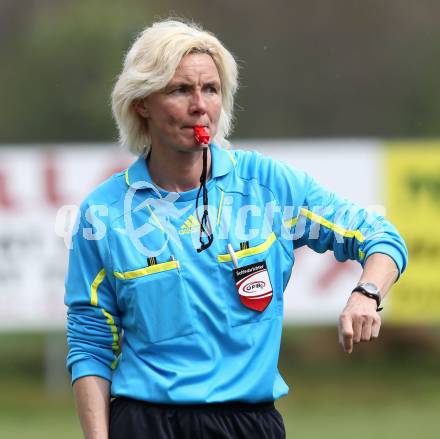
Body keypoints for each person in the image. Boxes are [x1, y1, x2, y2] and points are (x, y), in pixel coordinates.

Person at [65, 18, 408, 439]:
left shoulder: (268, 187)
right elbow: (90, 345)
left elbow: (380, 237)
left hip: (248, 424)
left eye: (210, 89)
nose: (200, 105)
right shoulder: (104, 213)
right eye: (180, 90)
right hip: (144, 423)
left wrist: (366, 294)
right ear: (142, 103)